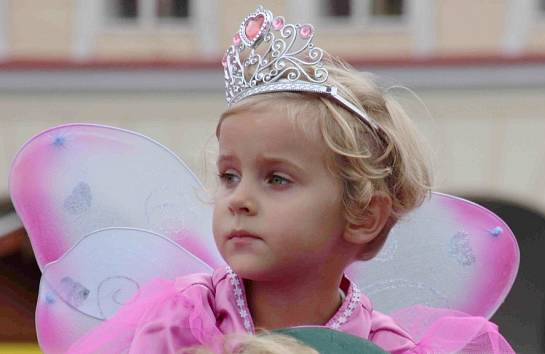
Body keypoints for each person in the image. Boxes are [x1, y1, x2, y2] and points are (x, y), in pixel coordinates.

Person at [63, 5, 514, 354]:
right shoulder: (181, 321)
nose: (239, 199)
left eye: (276, 179)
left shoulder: (387, 347)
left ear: (362, 214)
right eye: (229, 176)